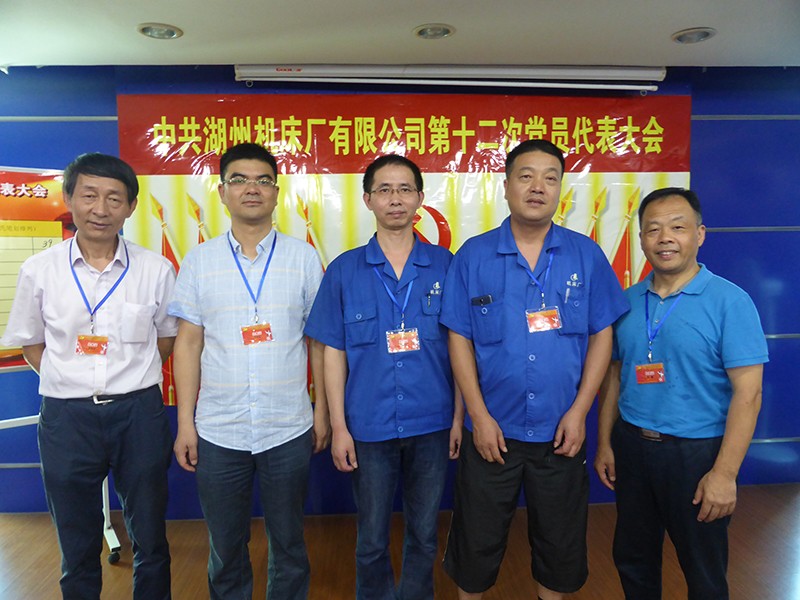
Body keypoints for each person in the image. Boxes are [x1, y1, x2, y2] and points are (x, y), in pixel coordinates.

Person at [440, 139, 629, 600]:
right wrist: (478, 416)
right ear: (506, 186)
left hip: (561, 433)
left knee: (559, 547)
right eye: (525, 176)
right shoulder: (473, 256)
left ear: (561, 188)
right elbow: (459, 338)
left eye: (550, 178)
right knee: (475, 546)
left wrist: (580, 412)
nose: (537, 187)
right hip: (491, 433)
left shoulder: (585, 255)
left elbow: (602, 334)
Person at [1, 153, 176, 599]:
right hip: (67, 418)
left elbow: (166, 339)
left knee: (151, 534)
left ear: (131, 206)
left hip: (138, 414)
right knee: (76, 540)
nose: (101, 209)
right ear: (69, 199)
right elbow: (31, 343)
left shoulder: (155, 269)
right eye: (90, 195)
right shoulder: (39, 270)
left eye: (114, 198)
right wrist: (70, 378)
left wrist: (126, 376)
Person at [169, 142, 329, 600]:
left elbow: (318, 342)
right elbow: (188, 344)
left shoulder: (303, 258)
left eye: (262, 180)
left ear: (276, 192)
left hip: (288, 426)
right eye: (238, 180)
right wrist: (185, 424)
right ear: (222, 192)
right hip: (219, 429)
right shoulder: (200, 261)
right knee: (225, 546)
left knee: (289, 542)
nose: (251, 188)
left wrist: (321, 413)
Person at [594, 187, 768, 599]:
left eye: (678, 227)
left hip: (697, 455)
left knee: (703, 569)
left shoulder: (730, 301)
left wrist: (724, 474)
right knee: (633, 559)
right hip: (633, 447)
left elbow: (749, 394)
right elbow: (614, 376)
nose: (665, 238)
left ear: (700, 234)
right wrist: (604, 443)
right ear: (641, 239)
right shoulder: (627, 301)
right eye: (653, 229)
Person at [304, 154, 463, 600]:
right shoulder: (345, 270)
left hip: (432, 422)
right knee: (371, 537)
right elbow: (332, 351)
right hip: (368, 426)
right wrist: (338, 426)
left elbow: (461, 348)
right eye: (385, 190)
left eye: (405, 189)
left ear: (420, 199)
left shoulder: (446, 265)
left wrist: (458, 419)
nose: (396, 199)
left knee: (424, 533)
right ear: (368, 199)